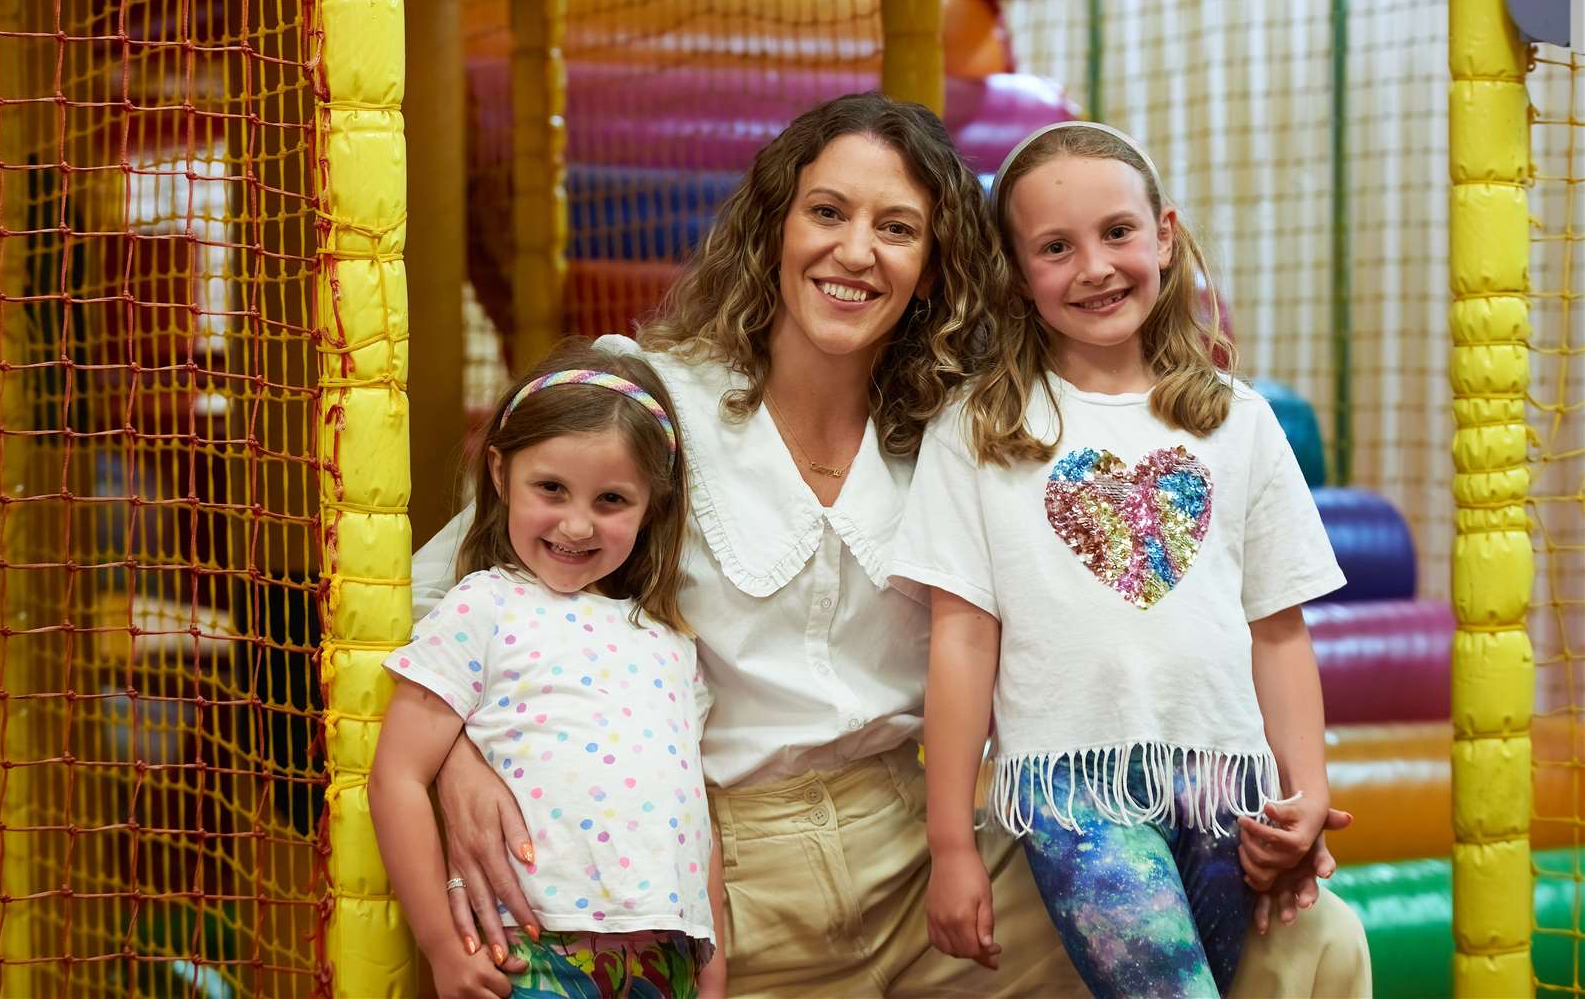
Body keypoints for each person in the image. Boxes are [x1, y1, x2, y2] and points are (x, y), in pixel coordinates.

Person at [416, 94, 1371, 997]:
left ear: (936, 262)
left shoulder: (971, 431)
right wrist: (455, 759)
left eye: (897, 228)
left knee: (1314, 935)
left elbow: (1161, 615)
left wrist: (1271, 795)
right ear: (773, 228)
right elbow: (434, 600)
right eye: (826, 212)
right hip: (720, 877)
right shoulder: (649, 397)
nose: (855, 253)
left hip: (918, 859)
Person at [892, 121, 1351, 998]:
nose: (1095, 267)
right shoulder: (987, 430)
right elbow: (960, 640)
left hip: (1226, 788)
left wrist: (1309, 795)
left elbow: (1278, 631)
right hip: (1073, 791)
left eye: (1117, 233)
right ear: (1018, 274)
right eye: (1055, 247)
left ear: (1164, 235)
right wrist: (951, 844)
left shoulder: (1235, 420)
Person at [369, 340, 726, 998]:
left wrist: (712, 962)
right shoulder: (482, 605)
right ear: (502, 475)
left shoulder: (671, 645)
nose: (576, 524)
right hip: (531, 950)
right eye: (551, 488)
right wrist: (443, 947)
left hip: (664, 955)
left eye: (612, 500)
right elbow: (396, 776)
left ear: (653, 506)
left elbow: (692, 814)